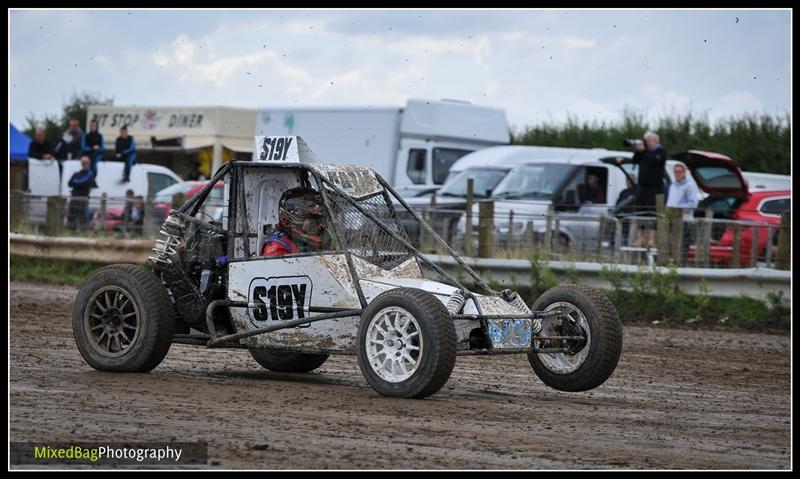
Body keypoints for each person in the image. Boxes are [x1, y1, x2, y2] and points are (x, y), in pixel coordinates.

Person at [616, 131, 668, 246]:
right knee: (640, 212)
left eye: (648, 141)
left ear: (655, 141)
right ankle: (641, 236)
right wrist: (638, 150)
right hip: (642, 188)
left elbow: (654, 160)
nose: (647, 143)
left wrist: (644, 150)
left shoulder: (661, 152)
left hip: (655, 189)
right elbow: (635, 160)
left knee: (653, 213)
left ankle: (653, 238)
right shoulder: (644, 153)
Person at [262, 187, 329, 256]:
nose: (321, 226)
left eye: (321, 220)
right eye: (313, 222)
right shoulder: (277, 249)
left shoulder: (320, 239)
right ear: (285, 220)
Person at [67, 156, 96, 230]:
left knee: (82, 216)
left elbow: (84, 182)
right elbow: (69, 183)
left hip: (83, 198)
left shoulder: (90, 174)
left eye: (86, 162)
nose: (84, 164)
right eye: (83, 162)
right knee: (72, 216)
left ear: (89, 163)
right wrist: (77, 182)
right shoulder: (76, 173)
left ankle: (83, 231)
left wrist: (75, 182)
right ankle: (71, 230)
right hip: (74, 198)